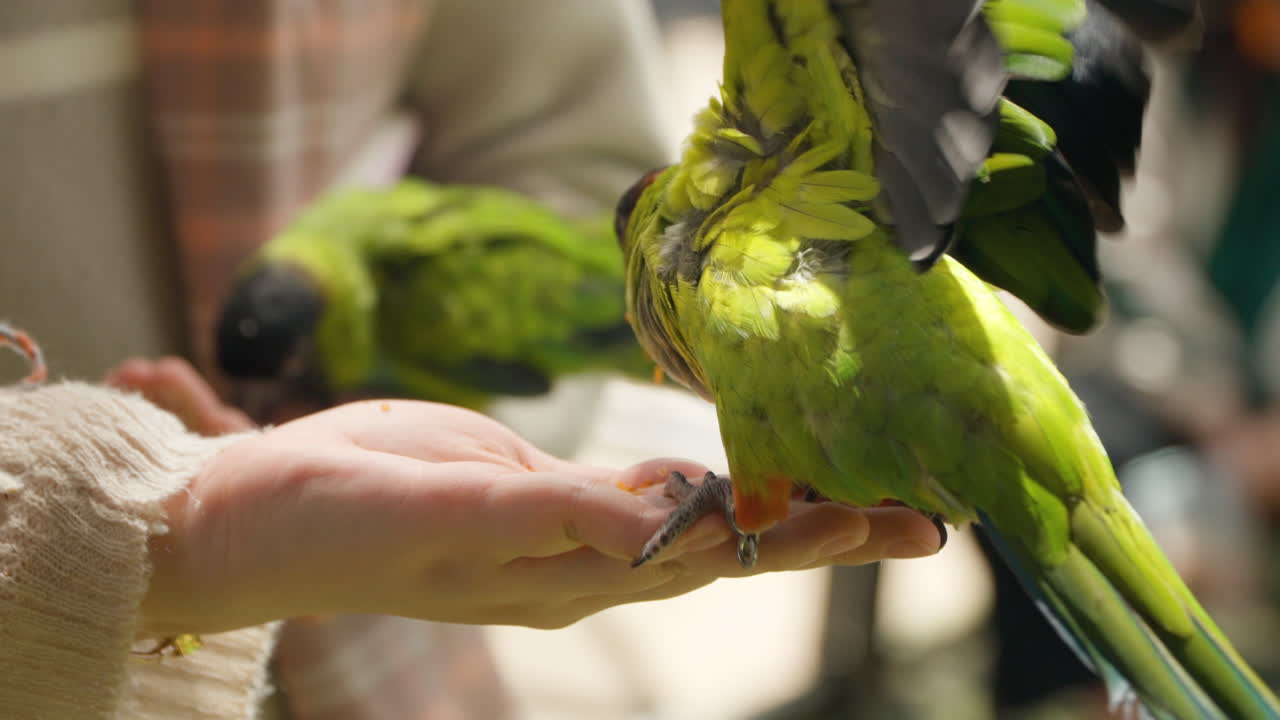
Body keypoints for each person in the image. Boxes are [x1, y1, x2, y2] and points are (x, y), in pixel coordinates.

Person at [0, 2, 943, 718]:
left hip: (370, 664)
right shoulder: (355, 283)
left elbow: (577, 163)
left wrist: (400, 488)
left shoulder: (418, 299)